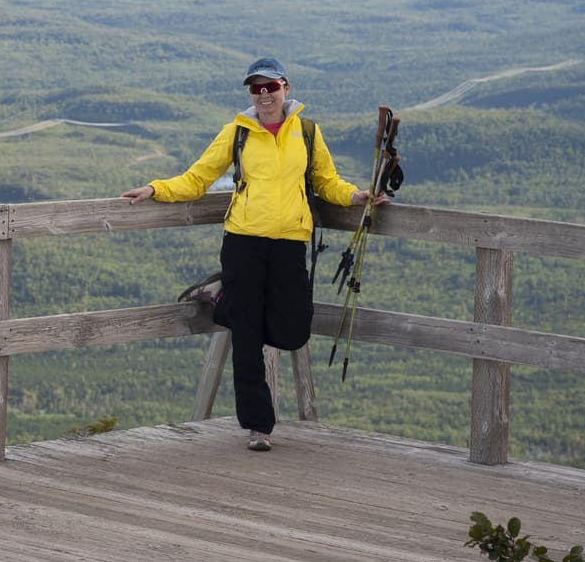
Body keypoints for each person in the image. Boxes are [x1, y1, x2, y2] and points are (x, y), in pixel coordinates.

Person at [122, 57, 387, 451]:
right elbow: (198, 177)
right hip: (243, 240)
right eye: (255, 88)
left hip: (290, 243)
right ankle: (259, 425)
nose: (264, 95)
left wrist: (355, 196)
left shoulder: (308, 132)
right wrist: (155, 189)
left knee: (293, 327)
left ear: (286, 88)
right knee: (246, 335)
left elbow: (325, 181)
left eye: (271, 87)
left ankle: (225, 300)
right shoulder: (238, 132)